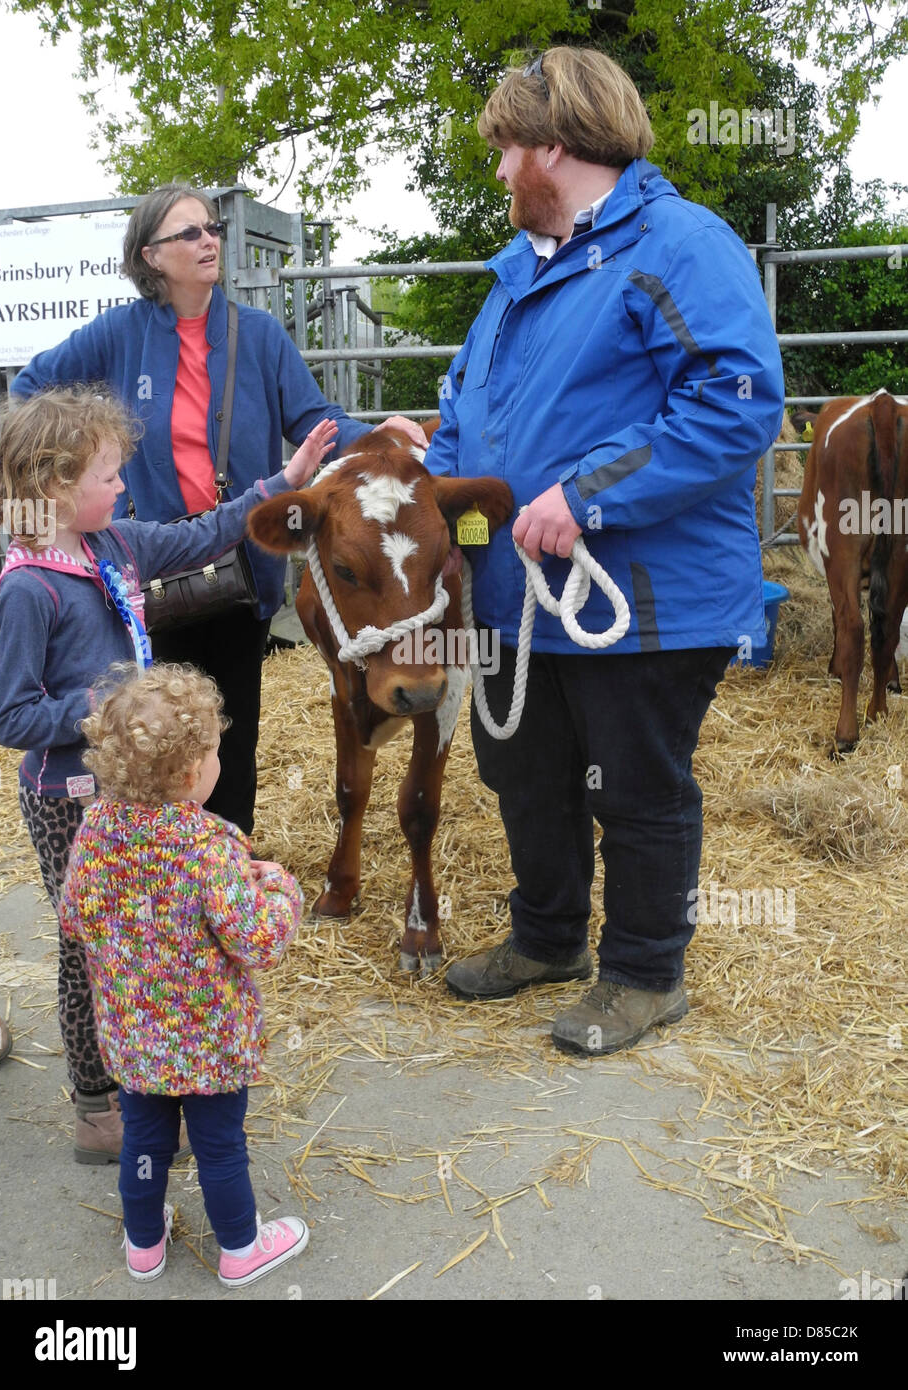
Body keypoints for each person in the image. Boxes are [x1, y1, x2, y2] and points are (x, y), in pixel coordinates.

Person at [425, 47, 785, 1054]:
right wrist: (448, 537)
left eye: (505, 150)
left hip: (640, 595)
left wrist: (586, 494)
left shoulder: (676, 244)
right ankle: (546, 939)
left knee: (631, 787)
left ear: (554, 145)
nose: (497, 174)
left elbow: (737, 399)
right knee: (523, 775)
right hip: (516, 600)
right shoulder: (512, 282)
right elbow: (462, 427)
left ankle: (640, 974)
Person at [10, 182, 429, 835]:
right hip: (150, 570)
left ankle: (227, 866)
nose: (208, 241)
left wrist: (376, 438)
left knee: (229, 729)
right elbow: (32, 388)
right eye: (189, 234)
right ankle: (166, 860)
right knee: (156, 733)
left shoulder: (257, 335)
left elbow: (314, 418)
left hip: (238, 563)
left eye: (212, 229)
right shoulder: (118, 334)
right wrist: (72, 474)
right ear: (151, 255)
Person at [0, 386, 333, 1159]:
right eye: (107, 476)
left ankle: (157, 1071)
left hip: (135, 791)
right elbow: (11, 718)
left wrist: (284, 479)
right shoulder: (26, 589)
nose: (121, 487)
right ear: (52, 488)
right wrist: (107, 709)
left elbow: (208, 533)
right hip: (70, 799)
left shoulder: (115, 545)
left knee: (158, 936)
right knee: (91, 945)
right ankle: (95, 1104)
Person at [58, 663, 306, 1286]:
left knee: (144, 1141)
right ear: (192, 772)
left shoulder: (94, 835)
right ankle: (241, 1249)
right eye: (216, 751)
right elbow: (260, 939)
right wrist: (280, 885)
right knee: (220, 1146)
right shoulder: (208, 846)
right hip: (208, 1041)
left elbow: (73, 918)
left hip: (136, 1036)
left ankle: (143, 1244)